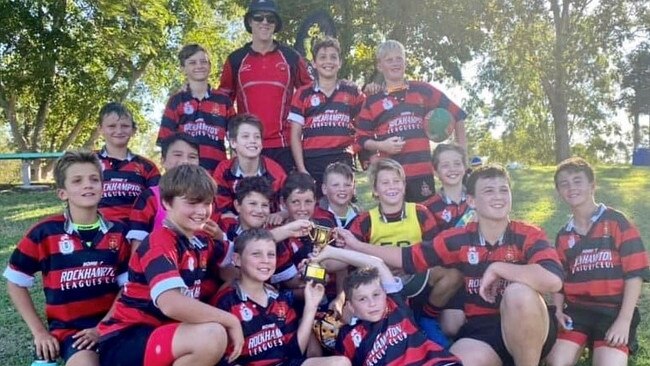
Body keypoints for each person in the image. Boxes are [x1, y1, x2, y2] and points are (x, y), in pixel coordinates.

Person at [341, 165, 564, 366]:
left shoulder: (527, 233)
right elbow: (408, 256)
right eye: (488, 191)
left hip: (529, 327)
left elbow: (553, 279)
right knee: (453, 362)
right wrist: (358, 245)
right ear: (472, 201)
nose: (498, 196)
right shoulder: (458, 239)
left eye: (504, 190)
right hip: (483, 331)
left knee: (518, 293)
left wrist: (499, 268)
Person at [97, 164, 243, 366]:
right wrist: (230, 320)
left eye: (207, 203)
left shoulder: (201, 240)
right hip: (126, 339)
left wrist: (222, 239)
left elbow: (233, 272)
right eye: (192, 203)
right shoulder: (160, 241)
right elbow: (170, 303)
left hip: (168, 334)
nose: (201, 211)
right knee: (212, 334)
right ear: (166, 202)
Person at [4, 150, 131, 366]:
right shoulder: (44, 232)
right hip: (71, 332)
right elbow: (15, 281)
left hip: (113, 324)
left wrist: (103, 327)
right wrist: (40, 333)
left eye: (94, 179)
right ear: (63, 193)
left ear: (103, 187)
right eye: (77, 181)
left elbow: (126, 287)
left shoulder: (118, 232)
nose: (88, 185)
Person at [546, 157, 650, 366]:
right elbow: (559, 279)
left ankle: (610, 339)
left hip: (613, 311)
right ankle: (586, 339)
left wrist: (623, 320)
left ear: (593, 185)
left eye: (577, 181)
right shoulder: (564, 235)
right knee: (556, 362)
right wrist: (558, 310)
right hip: (577, 311)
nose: (571, 188)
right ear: (558, 191)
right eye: (564, 184)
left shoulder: (617, 222)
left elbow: (635, 273)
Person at [212, 228, 351, 366]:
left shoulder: (279, 300)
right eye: (256, 254)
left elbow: (294, 352)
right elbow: (223, 360)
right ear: (237, 259)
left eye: (271, 254)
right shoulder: (225, 302)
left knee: (340, 363)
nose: (265, 260)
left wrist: (311, 305)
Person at [308, 244, 461, 366]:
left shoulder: (395, 305)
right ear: (351, 306)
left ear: (385, 294)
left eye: (376, 294)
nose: (372, 303)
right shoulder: (346, 336)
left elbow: (377, 264)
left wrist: (331, 252)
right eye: (362, 299)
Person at [356, 40, 467, 202]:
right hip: (392, 179)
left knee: (425, 223)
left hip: (422, 173)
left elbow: (458, 115)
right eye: (389, 60)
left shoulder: (423, 90)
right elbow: (361, 139)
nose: (395, 63)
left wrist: (463, 156)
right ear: (380, 66)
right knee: (396, 224)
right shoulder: (372, 101)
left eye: (399, 59)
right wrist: (382, 145)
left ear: (405, 62)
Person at [218, 0, 312, 173]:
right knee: (251, 199)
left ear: (276, 24)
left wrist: (341, 84)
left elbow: (312, 93)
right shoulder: (236, 59)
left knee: (284, 199)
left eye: (270, 19)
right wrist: (192, 90)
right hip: (248, 145)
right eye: (258, 17)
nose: (264, 22)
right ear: (249, 22)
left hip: (284, 146)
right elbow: (221, 100)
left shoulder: (291, 57)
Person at [346, 158, 438, 302]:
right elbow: (349, 257)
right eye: (385, 183)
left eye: (396, 181)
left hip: (418, 278)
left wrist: (408, 265)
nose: (392, 186)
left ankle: (428, 315)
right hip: (380, 282)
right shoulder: (365, 220)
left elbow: (435, 250)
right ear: (375, 190)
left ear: (404, 185)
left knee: (450, 274)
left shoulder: (420, 212)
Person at [288, 37, 365, 188]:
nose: (328, 61)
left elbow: (365, 124)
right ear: (314, 64)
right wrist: (302, 169)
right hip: (313, 160)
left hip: (343, 159)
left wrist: (353, 149)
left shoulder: (352, 90)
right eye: (322, 57)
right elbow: (295, 135)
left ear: (340, 62)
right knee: (316, 209)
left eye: (333, 57)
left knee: (343, 205)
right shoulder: (303, 94)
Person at [420, 144, 473, 339]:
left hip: (481, 269)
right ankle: (428, 316)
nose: (452, 169)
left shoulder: (479, 198)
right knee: (452, 327)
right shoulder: (428, 207)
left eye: (457, 163)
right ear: (435, 171)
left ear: (465, 166)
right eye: (445, 165)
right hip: (451, 272)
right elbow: (432, 250)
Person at [157, 44, 235, 175]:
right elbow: (166, 141)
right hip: (184, 175)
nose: (199, 66)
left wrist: (231, 171)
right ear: (183, 68)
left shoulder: (223, 101)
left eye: (203, 61)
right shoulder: (176, 101)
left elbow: (235, 139)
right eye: (192, 62)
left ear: (210, 66)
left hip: (216, 174)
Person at [128, 133, 201, 250]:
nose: (185, 161)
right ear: (163, 160)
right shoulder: (150, 198)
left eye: (192, 157)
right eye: (178, 155)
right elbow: (137, 252)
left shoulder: (206, 199)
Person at [96, 102, 160, 223]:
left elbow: (157, 201)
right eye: (111, 126)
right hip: (96, 231)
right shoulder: (87, 161)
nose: (119, 131)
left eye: (125, 126)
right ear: (100, 129)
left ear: (133, 130)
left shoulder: (147, 167)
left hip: (135, 231)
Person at [212, 114, 287, 217]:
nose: (252, 141)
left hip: (268, 227)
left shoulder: (275, 172)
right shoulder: (223, 170)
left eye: (257, 137)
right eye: (245, 136)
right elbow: (222, 209)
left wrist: (281, 214)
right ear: (233, 142)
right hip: (234, 226)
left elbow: (286, 207)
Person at [318, 162, 361, 228]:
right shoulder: (316, 217)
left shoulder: (360, 217)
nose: (342, 189)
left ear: (354, 188)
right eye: (335, 185)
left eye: (347, 185)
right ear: (324, 189)